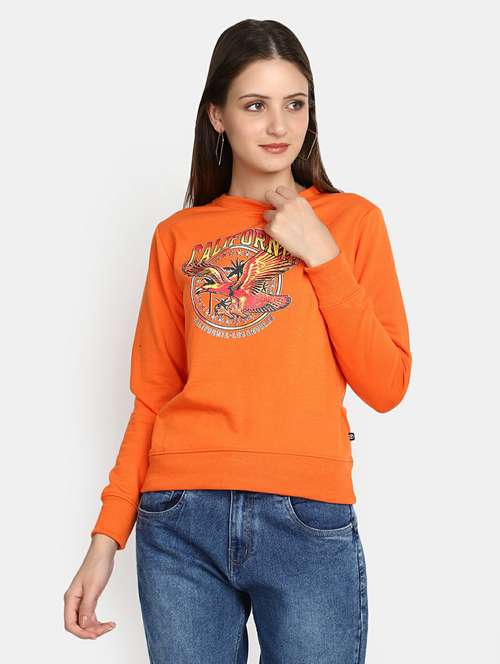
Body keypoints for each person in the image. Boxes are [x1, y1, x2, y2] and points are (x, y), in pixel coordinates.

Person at [63, 18, 412, 663]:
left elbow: (387, 385)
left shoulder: (353, 222)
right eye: (255, 105)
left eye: (295, 104)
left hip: (308, 515)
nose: (279, 125)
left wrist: (323, 256)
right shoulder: (177, 236)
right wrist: (105, 538)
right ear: (217, 116)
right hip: (179, 517)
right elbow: (153, 397)